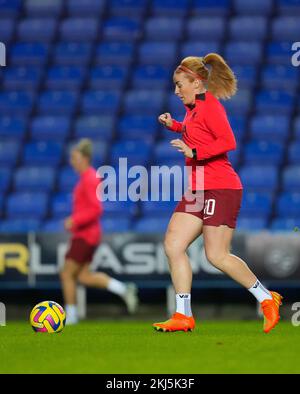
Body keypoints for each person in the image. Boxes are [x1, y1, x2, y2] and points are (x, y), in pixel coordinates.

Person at [153, 54, 282, 334]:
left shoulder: (210, 107)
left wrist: (194, 152)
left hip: (220, 187)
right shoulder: (192, 108)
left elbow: (228, 141)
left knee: (217, 255)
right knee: (173, 245)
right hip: (198, 188)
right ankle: (183, 315)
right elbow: (195, 131)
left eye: (179, 84)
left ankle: (266, 297)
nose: (175, 91)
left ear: (196, 83)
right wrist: (174, 125)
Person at [60, 139, 139, 325]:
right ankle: (123, 289)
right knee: (83, 276)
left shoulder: (89, 178)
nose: (72, 161)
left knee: (66, 274)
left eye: (75, 157)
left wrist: (74, 220)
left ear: (85, 158)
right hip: (89, 235)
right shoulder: (87, 178)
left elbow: (96, 209)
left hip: (85, 235)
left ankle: (71, 315)